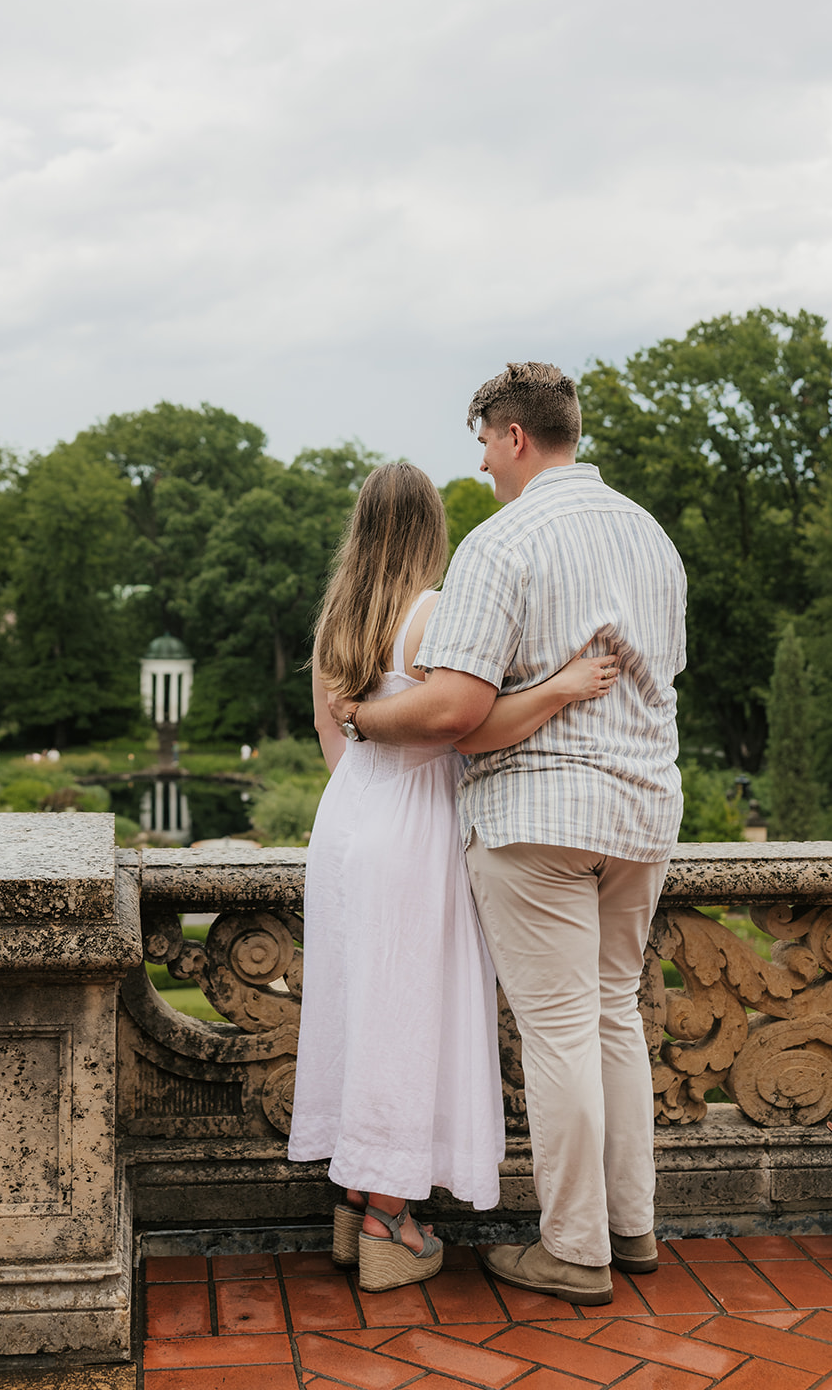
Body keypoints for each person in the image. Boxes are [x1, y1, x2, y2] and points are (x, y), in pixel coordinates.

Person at [327, 363, 687, 1306]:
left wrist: (366, 721)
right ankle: (631, 1224)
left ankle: (574, 1249)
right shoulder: (652, 536)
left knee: (561, 1031)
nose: (481, 461)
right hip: (645, 809)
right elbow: (664, 676)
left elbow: (456, 712)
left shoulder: (503, 541)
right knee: (615, 1017)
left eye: (484, 440)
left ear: (514, 436)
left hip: (539, 818)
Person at [288, 460, 619, 1293]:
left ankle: (357, 1194)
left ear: (360, 528)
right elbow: (460, 721)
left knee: (357, 1006)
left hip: (346, 826)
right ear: (430, 531)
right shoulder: (429, 613)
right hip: (414, 825)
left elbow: (343, 752)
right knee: (407, 1014)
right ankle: (390, 1221)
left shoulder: (336, 623)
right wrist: (561, 687)